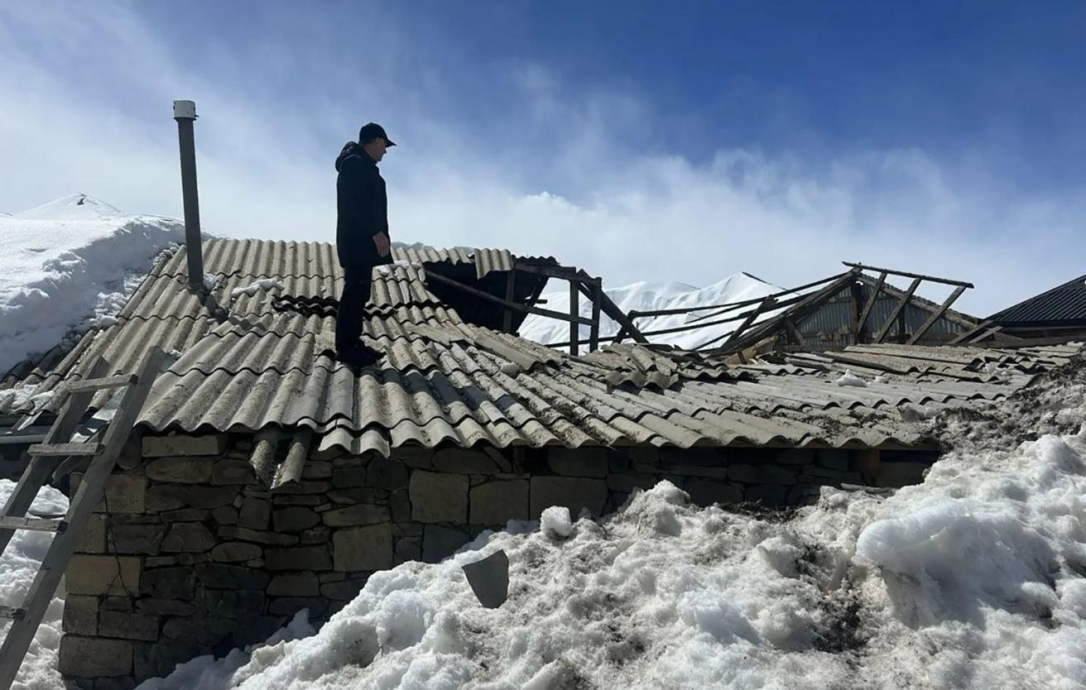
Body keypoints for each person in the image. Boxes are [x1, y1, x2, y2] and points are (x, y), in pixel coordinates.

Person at [334, 122, 395, 368]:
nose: (385, 151)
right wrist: (376, 232)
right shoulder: (355, 165)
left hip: (360, 242)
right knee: (354, 292)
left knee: (359, 292)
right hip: (357, 242)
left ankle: (353, 343)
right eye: (384, 145)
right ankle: (346, 348)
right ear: (376, 141)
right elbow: (355, 205)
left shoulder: (361, 165)